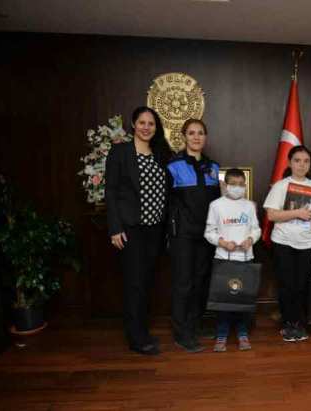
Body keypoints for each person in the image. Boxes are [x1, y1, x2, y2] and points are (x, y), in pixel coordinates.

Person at [105, 106, 171, 356]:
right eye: (142, 122)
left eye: (151, 124)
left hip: (155, 230)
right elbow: (111, 191)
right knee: (134, 283)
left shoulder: (160, 153)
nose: (146, 127)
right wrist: (115, 228)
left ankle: (142, 331)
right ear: (133, 124)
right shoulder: (120, 151)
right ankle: (136, 338)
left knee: (146, 282)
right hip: (130, 230)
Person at [166, 118, 220, 353]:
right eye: (191, 133)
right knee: (183, 284)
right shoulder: (173, 166)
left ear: (205, 137)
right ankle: (182, 333)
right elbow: (166, 203)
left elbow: (219, 202)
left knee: (201, 281)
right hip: (183, 235)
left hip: (206, 235)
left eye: (200, 133)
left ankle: (194, 325)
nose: (196, 137)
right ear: (184, 136)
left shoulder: (214, 167)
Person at [263, 145, 311, 342]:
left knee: (301, 286)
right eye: (297, 160)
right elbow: (271, 215)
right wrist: (297, 213)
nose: (302, 165)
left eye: (306, 161)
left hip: (307, 244)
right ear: (290, 163)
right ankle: (288, 324)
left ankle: (298, 323)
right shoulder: (281, 186)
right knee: (286, 285)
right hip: (283, 243)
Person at [204, 168, 261, 352]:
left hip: (245, 258)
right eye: (234, 184)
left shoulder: (249, 206)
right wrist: (222, 243)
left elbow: (256, 229)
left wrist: (250, 240)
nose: (238, 187)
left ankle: (243, 334)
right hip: (223, 258)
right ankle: (221, 334)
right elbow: (209, 232)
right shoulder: (216, 205)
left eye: (241, 184)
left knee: (242, 299)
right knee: (224, 299)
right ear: (226, 185)